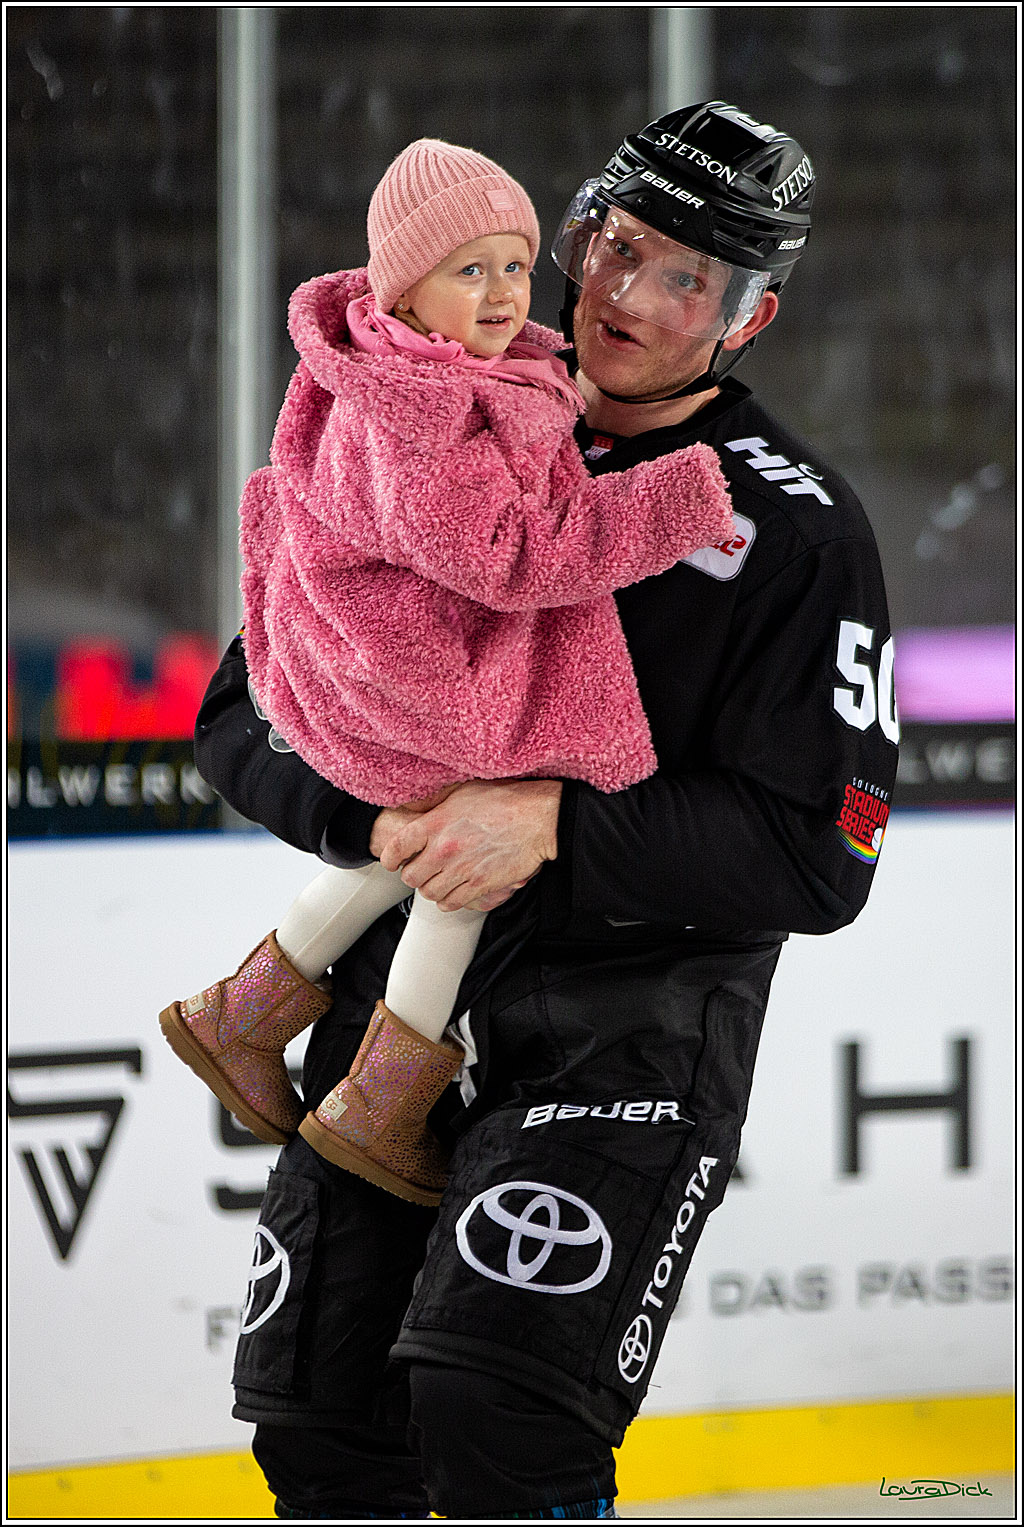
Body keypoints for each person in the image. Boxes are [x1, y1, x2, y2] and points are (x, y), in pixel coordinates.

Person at [193, 103, 899, 1519]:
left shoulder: (794, 531)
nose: (628, 295)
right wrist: (382, 816)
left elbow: (820, 854)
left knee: (497, 1417)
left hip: (628, 1032)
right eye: (619, 248)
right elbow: (242, 714)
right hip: (388, 1022)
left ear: (749, 319)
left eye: (688, 278)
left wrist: (557, 826)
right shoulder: (421, 415)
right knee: (318, 1434)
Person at [159, 138, 734, 1207]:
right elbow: (513, 554)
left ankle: (246, 1011)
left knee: (418, 839)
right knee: (466, 864)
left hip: (390, 656)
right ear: (404, 290)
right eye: (470, 270)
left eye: (515, 265)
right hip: (418, 673)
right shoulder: (418, 414)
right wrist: (670, 504)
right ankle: (380, 1102)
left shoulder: (408, 364)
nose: (504, 293)